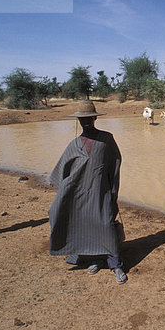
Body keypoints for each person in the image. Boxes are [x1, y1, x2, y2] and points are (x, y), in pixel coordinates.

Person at [48, 100, 127, 284]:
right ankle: (95, 259)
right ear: (78, 120)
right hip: (79, 195)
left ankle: (115, 264)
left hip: (101, 193)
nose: (86, 122)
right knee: (85, 226)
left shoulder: (107, 139)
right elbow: (62, 172)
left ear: (94, 118)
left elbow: (115, 165)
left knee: (106, 225)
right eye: (82, 119)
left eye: (89, 118)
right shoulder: (74, 145)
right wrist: (64, 194)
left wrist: (113, 192)